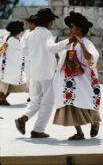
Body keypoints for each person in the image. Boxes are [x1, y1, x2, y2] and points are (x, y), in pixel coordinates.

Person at [15, 8, 71, 138]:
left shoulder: (29, 34)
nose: (52, 23)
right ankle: (38, 130)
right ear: (48, 22)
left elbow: (25, 52)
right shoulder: (46, 33)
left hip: (34, 73)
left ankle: (23, 117)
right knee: (47, 103)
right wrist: (67, 42)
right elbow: (51, 48)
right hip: (47, 73)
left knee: (35, 101)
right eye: (51, 21)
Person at [53, 11, 101, 140]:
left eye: (72, 26)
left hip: (82, 80)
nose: (70, 29)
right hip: (69, 81)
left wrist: (81, 44)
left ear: (79, 29)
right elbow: (59, 54)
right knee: (70, 104)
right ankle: (79, 132)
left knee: (86, 100)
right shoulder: (68, 43)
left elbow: (90, 57)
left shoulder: (87, 43)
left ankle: (95, 122)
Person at [0, 21, 29, 105]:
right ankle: (2, 98)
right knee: (10, 84)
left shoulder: (6, 38)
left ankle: (2, 98)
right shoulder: (16, 41)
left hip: (5, 67)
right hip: (12, 67)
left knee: (5, 85)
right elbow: (22, 53)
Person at [21, 15, 37, 102]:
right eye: (29, 23)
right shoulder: (26, 33)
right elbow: (23, 43)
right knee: (29, 78)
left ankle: (35, 96)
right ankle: (31, 95)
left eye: (31, 24)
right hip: (27, 59)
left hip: (35, 59)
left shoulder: (37, 33)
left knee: (35, 79)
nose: (29, 25)